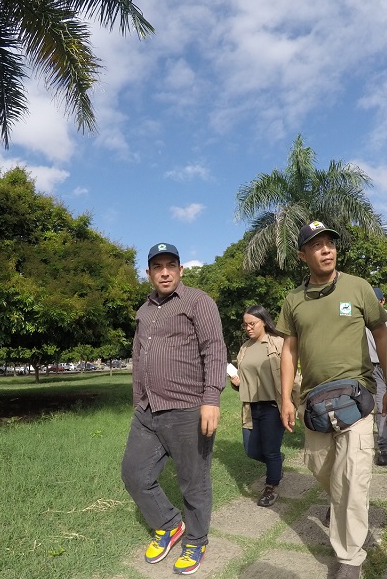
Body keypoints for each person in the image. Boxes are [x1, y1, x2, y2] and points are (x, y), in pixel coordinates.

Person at [277, 221, 387, 579]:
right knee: (321, 468)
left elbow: (382, 333)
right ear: (302, 256)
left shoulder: (358, 287)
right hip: (314, 402)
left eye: (330, 243)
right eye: (317, 245)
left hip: (357, 397)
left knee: (352, 479)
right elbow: (288, 351)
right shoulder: (294, 300)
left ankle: (350, 559)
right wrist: (285, 398)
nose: (326, 250)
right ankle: (341, 507)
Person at [121, 242, 227, 575]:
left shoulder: (198, 301)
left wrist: (211, 399)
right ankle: (168, 524)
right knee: (134, 474)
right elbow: (138, 356)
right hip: (148, 410)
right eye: (158, 267)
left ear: (180, 270)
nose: (164, 272)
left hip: (187, 409)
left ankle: (196, 540)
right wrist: (138, 399)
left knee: (193, 482)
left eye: (171, 266)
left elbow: (214, 349)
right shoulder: (144, 311)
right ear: (148, 273)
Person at [227, 305, 288, 507]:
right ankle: (277, 462)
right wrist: (237, 382)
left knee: (270, 450)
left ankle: (271, 487)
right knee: (251, 450)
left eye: (252, 324)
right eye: (245, 325)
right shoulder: (245, 347)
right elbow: (245, 377)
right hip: (251, 406)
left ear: (264, 321)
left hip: (273, 405)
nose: (248, 328)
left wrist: (291, 402)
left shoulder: (278, 343)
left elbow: (291, 374)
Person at [367, 287, 387, 466]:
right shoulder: (362, 319)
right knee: (379, 406)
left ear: (382, 301)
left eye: (376, 301)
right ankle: (385, 445)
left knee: (386, 404)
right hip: (369, 366)